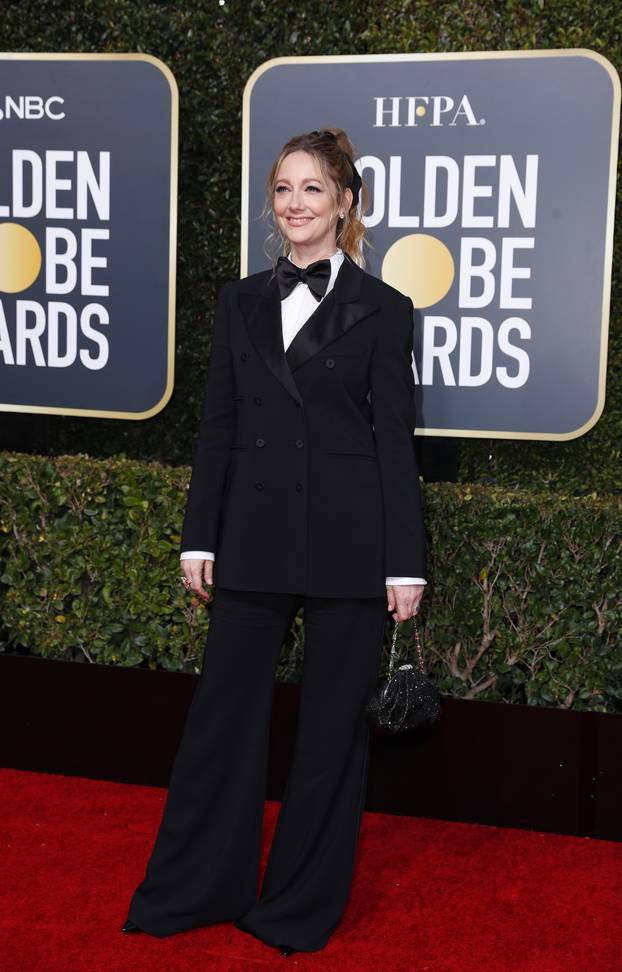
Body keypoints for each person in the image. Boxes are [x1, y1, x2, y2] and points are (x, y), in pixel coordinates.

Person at [122, 127, 427, 956]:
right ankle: (192, 889)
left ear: (345, 204)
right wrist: (198, 536)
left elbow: (397, 442)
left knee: (330, 731)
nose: (296, 204)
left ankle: (297, 907)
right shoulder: (239, 300)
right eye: (284, 189)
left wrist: (406, 562)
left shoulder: (387, 310)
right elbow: (218, 423)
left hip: (350, 546)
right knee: (222, 719)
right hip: (252, 536)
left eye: (313, 190)